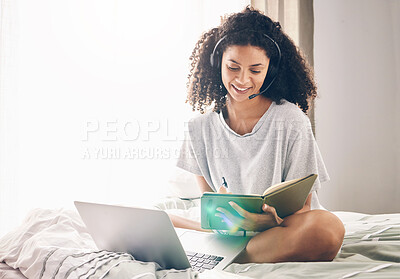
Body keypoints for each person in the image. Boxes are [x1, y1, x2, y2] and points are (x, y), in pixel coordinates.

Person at [172, 6, 345, 263]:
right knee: (155, 219)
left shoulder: (291, 121)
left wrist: (265, 222)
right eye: (233, 67)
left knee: (328, 229)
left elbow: (303, 208)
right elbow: (209, 207)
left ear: (270, 71)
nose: (242, 80)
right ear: (217, 62)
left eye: (255, 70)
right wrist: (225, 216)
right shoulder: (198, 128)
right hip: (228, 232)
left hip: (282, 228)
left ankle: (237, 254)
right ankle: (236, 251)